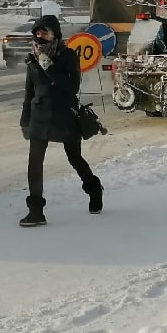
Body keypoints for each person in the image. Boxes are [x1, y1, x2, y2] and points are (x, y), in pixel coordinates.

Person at [18, 14, 103, 226]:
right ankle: (36, 211)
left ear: (55, 33)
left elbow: (71, 87)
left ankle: (94, 189)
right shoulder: (33, 58)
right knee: (34, 164)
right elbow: (29, 93)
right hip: (39, 117)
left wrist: (49, 67)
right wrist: (24, 120)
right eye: (37, 32)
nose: (40, 36)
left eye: (44, 31)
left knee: (74, 158)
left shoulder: (68, 56)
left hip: (64, 115)